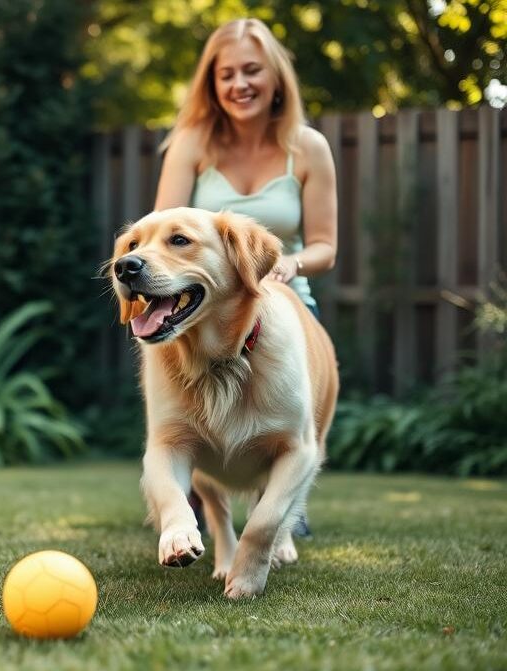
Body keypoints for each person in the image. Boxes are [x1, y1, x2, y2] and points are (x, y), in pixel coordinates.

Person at [153, 17, 338, 537]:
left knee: (287, 434)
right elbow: (159, 232)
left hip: (285, 303)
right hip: (199, 308)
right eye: (226, 74)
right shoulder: (191, 143)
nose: (240, 85)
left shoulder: (308, 147)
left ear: (276, 76)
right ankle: (191, 501)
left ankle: (278, 502)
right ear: (211, 84)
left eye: (252, 71)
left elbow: (326, 245)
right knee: (186, 417)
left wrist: (292, 263)